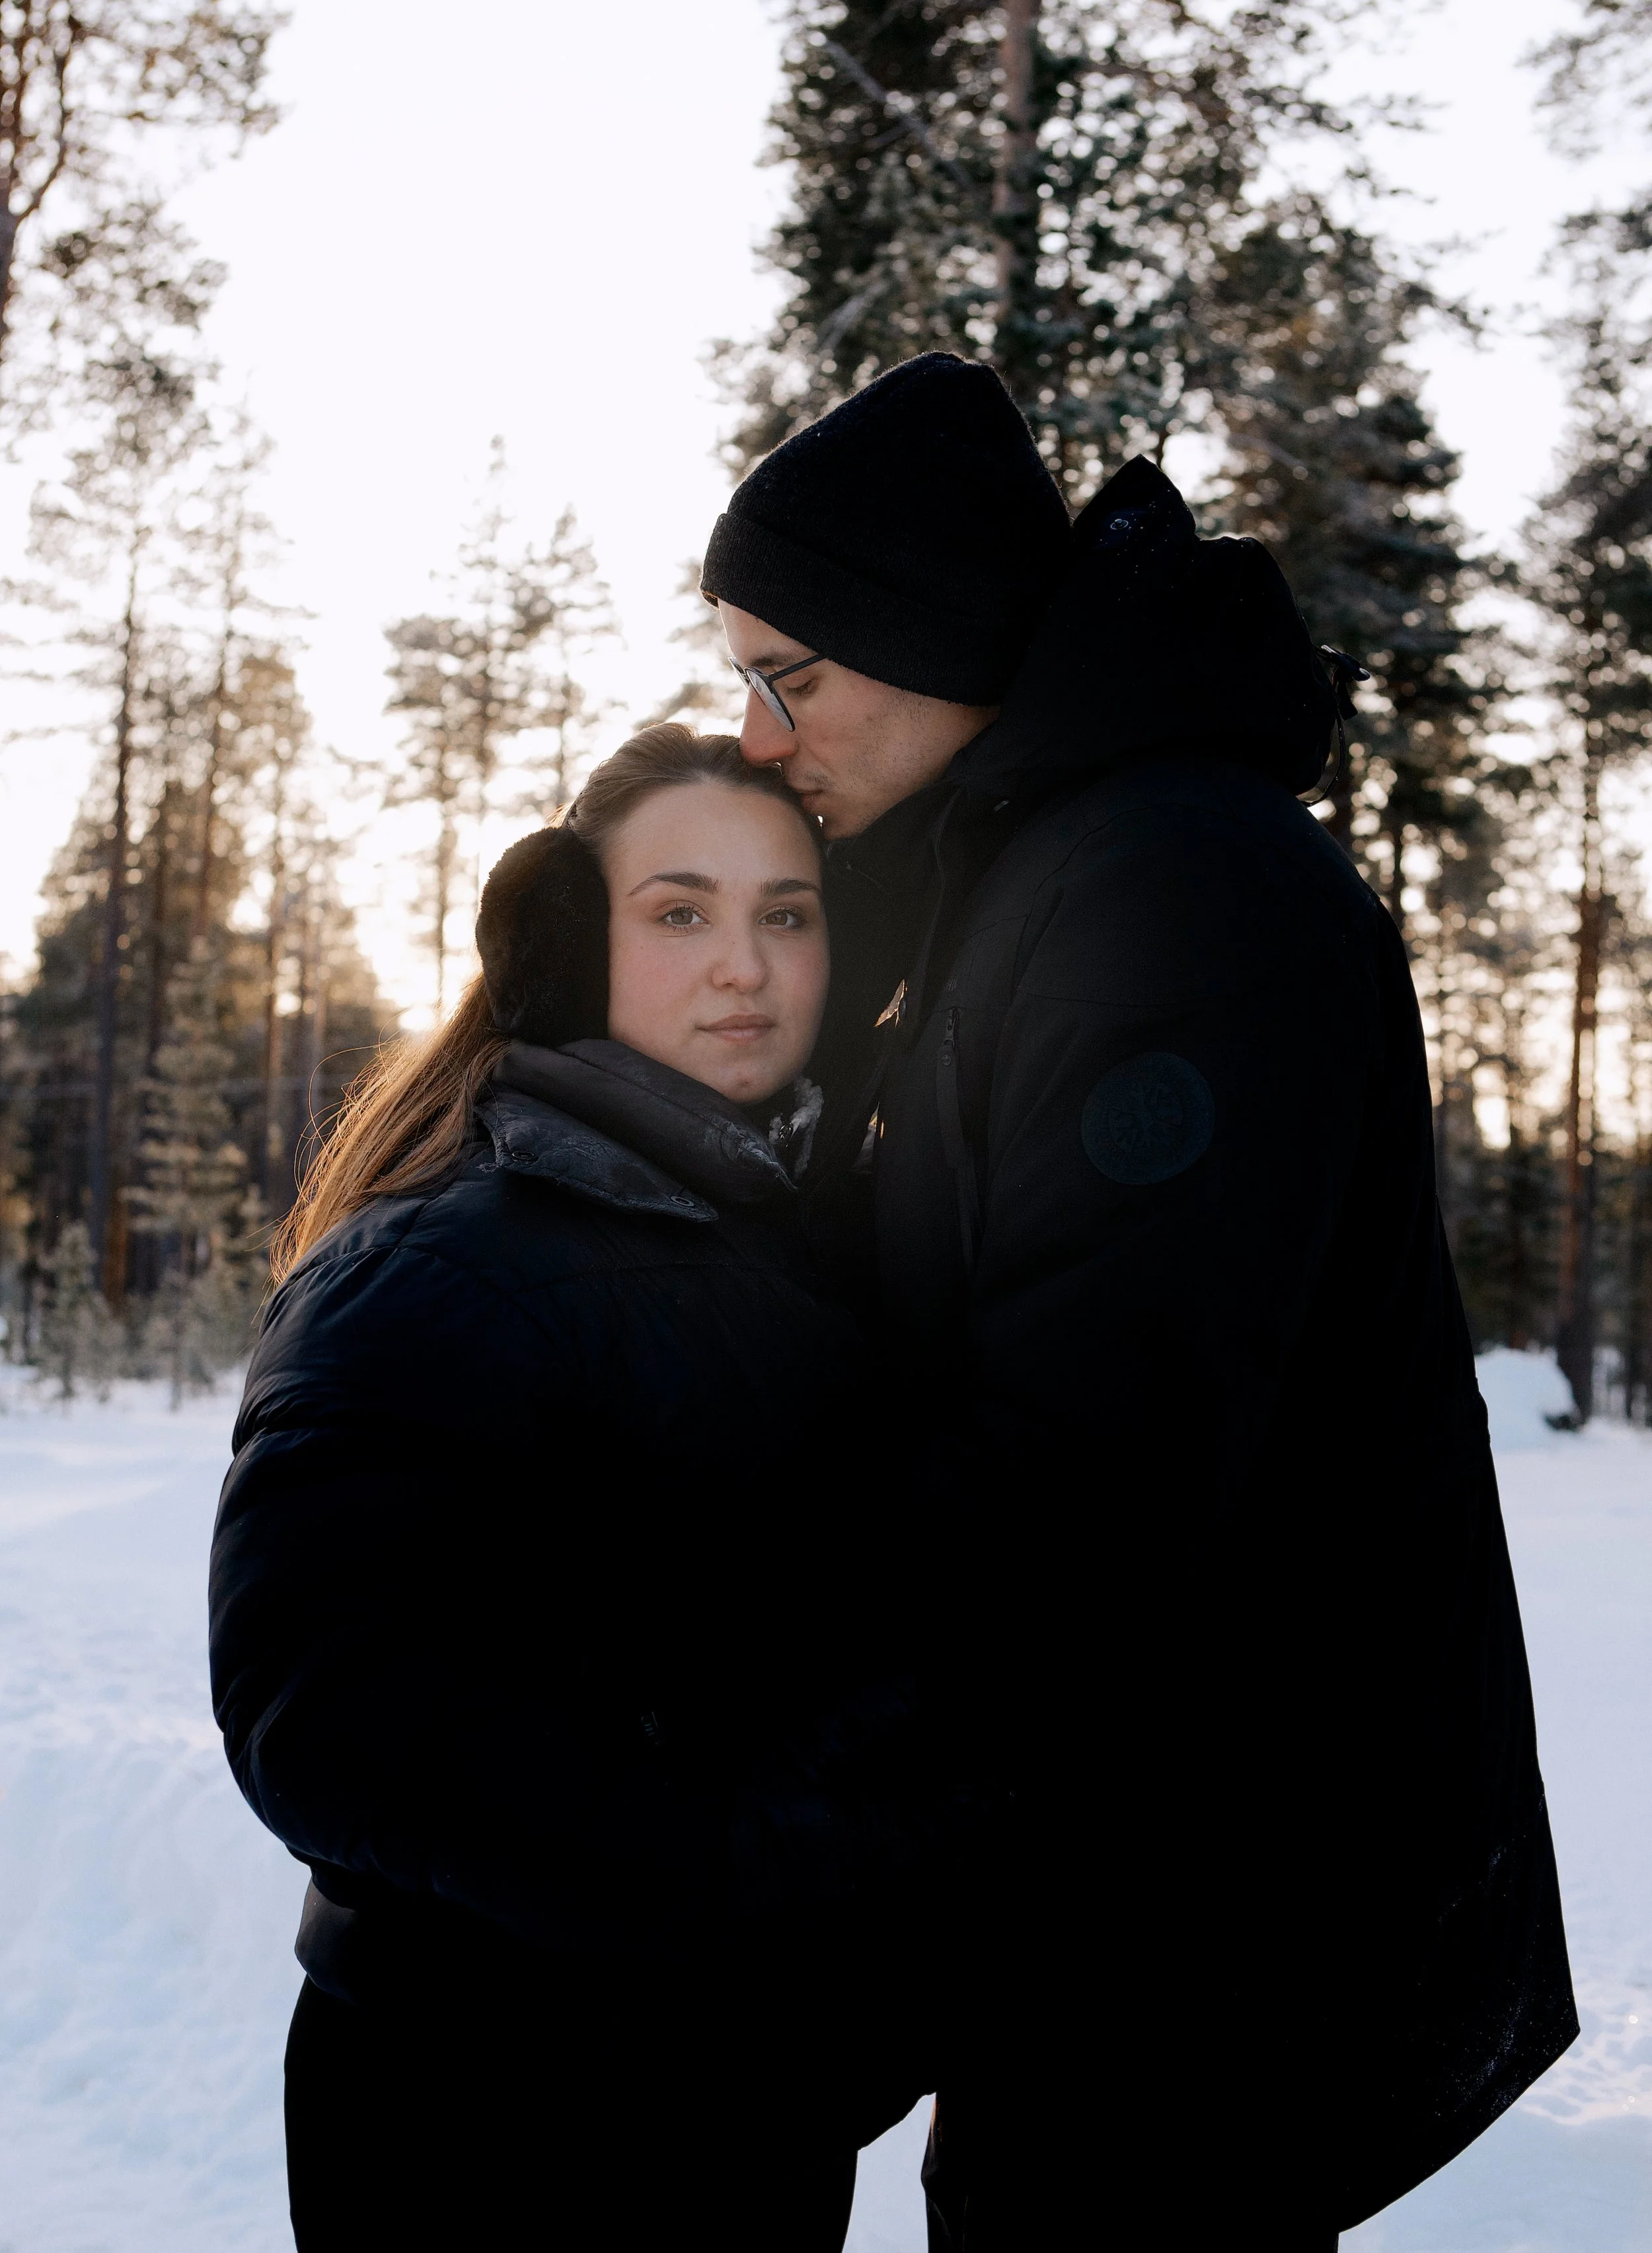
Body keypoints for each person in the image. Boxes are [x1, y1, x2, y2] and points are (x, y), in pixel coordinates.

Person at [701, 352, 1579, 2249]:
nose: (761, 735)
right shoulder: (1047, 873)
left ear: (925, 638)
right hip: (1110, 1888)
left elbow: (1087, 1476)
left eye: (792, 674)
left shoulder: (1166, 894)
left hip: (1207, 1922)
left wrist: (741, 1715)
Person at [208, 725, 946, 2252]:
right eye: (678, 912)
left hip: (731, 2106)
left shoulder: (798, 1249)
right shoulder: (438, 1264)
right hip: (489, 2114)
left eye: (785, 913)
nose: (742, 965)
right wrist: (748, 1870)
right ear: (564, 945)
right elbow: (321, 1710)